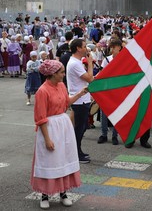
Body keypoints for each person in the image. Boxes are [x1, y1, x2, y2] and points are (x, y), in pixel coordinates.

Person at [31, 59, 87, 209]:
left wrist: (81, 93)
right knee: (49, 160)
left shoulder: (61, 85)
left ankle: (63, 193)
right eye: (61, 72)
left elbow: (66, 103)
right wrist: (47, 139)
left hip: (63, 126)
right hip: (49, 128)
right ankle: (44, 195)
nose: (63, 75)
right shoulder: (42, 91)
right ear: (53, 74)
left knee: (63, 159)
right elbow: (40, 118)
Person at [67, 38, 94, 164]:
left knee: (81, 128)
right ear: (78, 48)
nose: (86, 49)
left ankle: (78, 151)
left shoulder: (75, 62)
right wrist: (90, 64)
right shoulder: (75, 63)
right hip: (79, 101)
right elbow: (89, 78)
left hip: (82, 99)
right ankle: (76, 154)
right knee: (79, 129)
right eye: (84, 46)